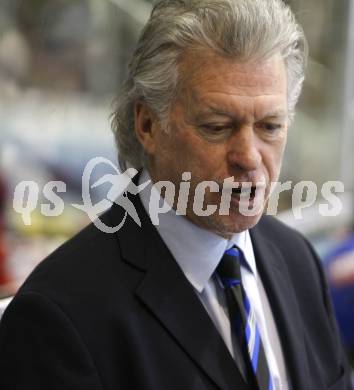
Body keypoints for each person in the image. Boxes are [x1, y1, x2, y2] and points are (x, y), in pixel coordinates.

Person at [0, 0, 352, 389]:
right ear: (148, 124)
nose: (249, 157)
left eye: (270, 126)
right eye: (217, 126)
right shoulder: (61, 317)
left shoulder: (298, 262)